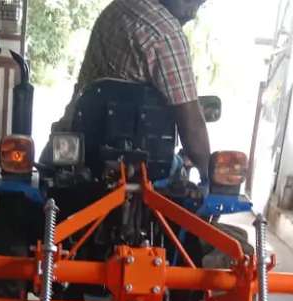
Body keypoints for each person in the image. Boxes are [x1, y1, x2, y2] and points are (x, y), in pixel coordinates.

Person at [51, 0, 210, 172]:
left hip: (71, 148)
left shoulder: (116, 8)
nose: (192, 14)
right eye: (191, 3)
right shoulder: (167, 34)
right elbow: (192, 127)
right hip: (133, 168)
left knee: (46, 170)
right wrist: (207, 174)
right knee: (179, 168)